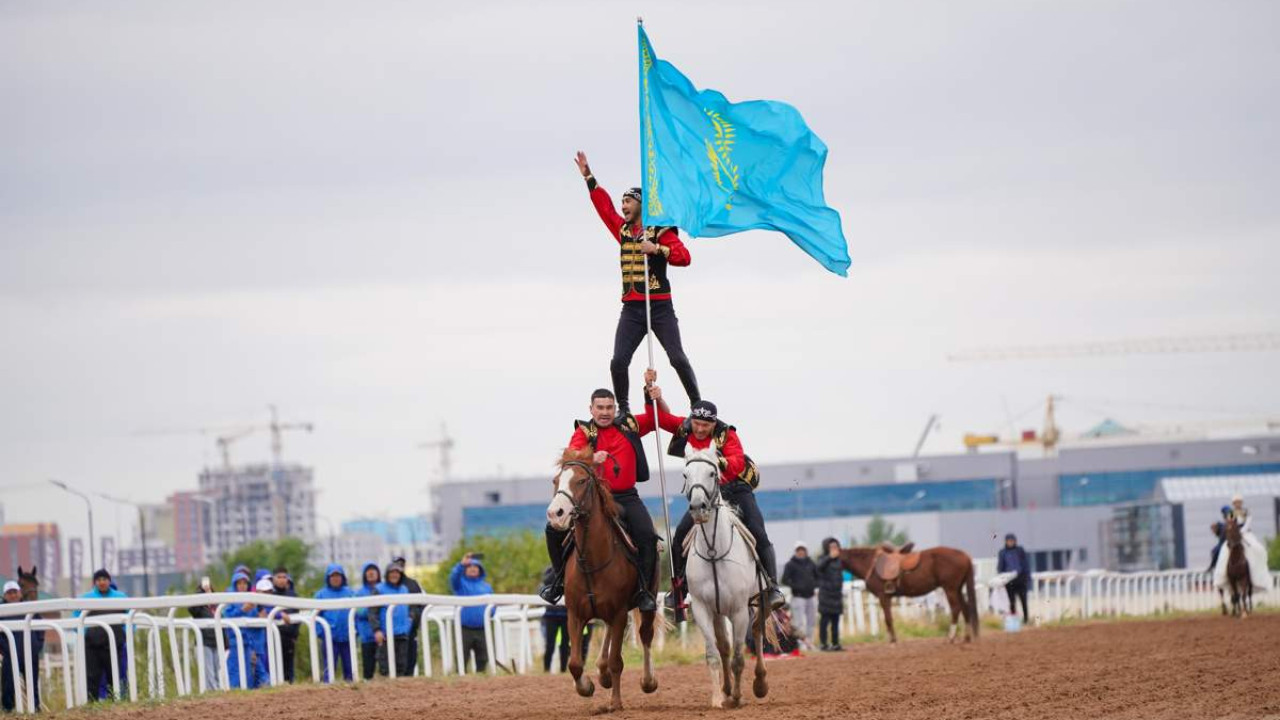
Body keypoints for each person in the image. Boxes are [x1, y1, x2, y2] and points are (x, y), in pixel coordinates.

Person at [646, 377, 786, 612]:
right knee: (679, 535)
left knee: (757, 530)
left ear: (713, 424)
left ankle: (772, 587)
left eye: (705, 425)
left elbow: (738, 462)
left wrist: (716, 460)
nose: (700, 429)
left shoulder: (727, 434)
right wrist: (655, 396)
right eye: (697, 423)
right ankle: (680, 589)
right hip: (703, 493)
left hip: (734, 489)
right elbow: (659, 419)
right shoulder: (686, 427)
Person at [575, 151, 699, 414]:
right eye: (623, 202)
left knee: (677, 357)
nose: (623, 206)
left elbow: (684, 257)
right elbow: (605, 209)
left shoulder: (660, 230)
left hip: (660, 307)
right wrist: (589, 178)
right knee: (618, 361)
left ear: (641, 204)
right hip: (632, 309)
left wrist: (656, 249)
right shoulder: (622, 230)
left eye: (628, 201)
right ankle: (625, 410)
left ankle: (696, 403)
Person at [540, 383, 665, 612]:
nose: (605, 412)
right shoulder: (584, 432)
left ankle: (645, 592)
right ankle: (558, 582)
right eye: (600, 407)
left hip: (627, 496)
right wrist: (591, 458)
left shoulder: (629, 425)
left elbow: (658, 417)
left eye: (609, 407)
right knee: (552, 530)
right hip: (594, 498)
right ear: (591, 409)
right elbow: (573, 455)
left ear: (615, 408)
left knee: (648, 536)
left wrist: (653, 396)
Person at [73, 569, 128, 701]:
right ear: (95, 582)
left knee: (115, 676)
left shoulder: (121, 597)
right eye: (99, 580)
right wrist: (88, 634)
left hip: (115, 645)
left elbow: (131, 618)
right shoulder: (85, 599)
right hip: (93, 646)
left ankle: (116, 704)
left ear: (109, 581)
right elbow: (75, 619)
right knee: (92, 677)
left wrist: (124, 633)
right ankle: (91, 706)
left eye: (104, 579)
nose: (102, 582)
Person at [537, 566, 592, 673]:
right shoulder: (550, 570)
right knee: (550, 645)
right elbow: (546, 581)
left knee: (565, 645)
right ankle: (546, 670)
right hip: (550, 615)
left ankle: (563, 670)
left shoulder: (573, 568)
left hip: (565, 615)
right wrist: (559, 569)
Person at [1214, 494, 1273, 592]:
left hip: (1246, 533)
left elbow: (1248, 522)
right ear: (1233, 503)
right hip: (1235, 535)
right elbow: (1230, 523)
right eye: (1236, 502)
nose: (1237, 504)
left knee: (1258, 548)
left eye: (1239, 502)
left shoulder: (1246, 511)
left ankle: (1258, 574)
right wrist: (1235, 532)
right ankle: (1221, 576)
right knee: (1224, 550)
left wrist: (1242, 531)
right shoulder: (1231, 513)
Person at [222, 572, 268, 690]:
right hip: (236, 644)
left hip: (252, 645)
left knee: (258, 677)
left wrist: (261, 617)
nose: (242, 586)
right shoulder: (230, 601)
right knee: (237, 677)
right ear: (235, 585)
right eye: (239, 583)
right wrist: (242, 610)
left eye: (244, 583)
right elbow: (227, 618)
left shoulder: (252, 600)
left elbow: (258, 621)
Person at [450, 553, 494, 673]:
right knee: (461, 658)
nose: (473, 568)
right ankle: (460, 682)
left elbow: (493, 604)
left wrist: (491, 614)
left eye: (476, 566)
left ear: (480, 570)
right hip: (464, 628)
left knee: (483, 658)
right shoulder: (460, 584)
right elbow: (453, 577)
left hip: (482, 628)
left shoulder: (487, 586)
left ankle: (481, 681)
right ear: (465, 569)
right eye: (470, 566)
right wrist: (461, 564)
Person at [2, 580, 40, 713]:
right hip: (10, 653)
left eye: (15, 592)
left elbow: (41, 628)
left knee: (32, 683)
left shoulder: (30, 609)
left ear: (20, 593)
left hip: (30, 652)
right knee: (8, 684)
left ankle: (34, 709)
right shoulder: (2, 611)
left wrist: (37, 645)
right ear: (5, 596)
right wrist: (4, 649)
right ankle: (8, 710)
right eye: (9, 593)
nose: (12, 596)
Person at [314, 564, 355, 683]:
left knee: (349, 666)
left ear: (342, 577)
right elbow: (315, 617)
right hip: (329, 638)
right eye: (332, 576)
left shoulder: (350, 593)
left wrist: (355, 631)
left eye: (338, 575)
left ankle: (351, 688)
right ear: (328, 578)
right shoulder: (320, 595)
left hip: (348, 637)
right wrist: (320, 633)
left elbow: (357, 614)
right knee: (329, 667)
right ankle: (328, 688)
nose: (335, 578)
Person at [372, 561, 413, 677]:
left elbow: (411, 608)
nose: (394, 575)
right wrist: (377, 630)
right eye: (392, 572)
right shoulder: (379, 589)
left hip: (402, 633)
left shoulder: (405, 589)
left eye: (397, 573)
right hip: (385, 635)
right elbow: (373, 611)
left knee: (401, 666)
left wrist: (409, 621)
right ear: (387, 574)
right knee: (385, 667)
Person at [186, 576, 223, 692]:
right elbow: (191, 609)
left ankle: (216, 690)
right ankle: (213, 692)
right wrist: (202, 592)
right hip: (204, 641)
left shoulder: (216, 607)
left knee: (217, 669)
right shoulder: (199, 608)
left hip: (216, 641)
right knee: (209, 671)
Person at [782, 541, 819, 648]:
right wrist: (796, 586)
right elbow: (784, 580)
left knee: (811, 622)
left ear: (806, 551)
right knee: (798, 623)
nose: (801, 552)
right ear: (796, 551)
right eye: (799, 550)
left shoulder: (811, 563)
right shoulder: (790, 564)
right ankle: (801, 644)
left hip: (811, 597)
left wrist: (814, 585)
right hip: (798, 597)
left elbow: (818, 577)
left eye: (803, 550)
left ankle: (809, 643)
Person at [391, 556, 424, 676]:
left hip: (411, 629)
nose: (399, 566)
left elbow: (421, 604)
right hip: (394, 631)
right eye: (396, 564)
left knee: (411, 658)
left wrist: (415, 619)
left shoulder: (412, 584)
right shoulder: (386, 586)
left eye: (401, 564)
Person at [269, 567, 300, 683]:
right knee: (276, 667)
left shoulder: (293, 595)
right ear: (273, 579)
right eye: (279, 577)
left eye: (284, 577)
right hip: (274, 637)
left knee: (289, 668)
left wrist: (295, 635)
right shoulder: (269, 595)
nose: (282, 580)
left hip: (289, 638)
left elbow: (298, 617)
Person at [352, 563, 382, 680]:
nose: (370, 573)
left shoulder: (383, 589)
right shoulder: (359, 593)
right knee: (368, 668)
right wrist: (374, 609)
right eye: (368, 571)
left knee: (386, 667)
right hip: (367, 636)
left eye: (373, 570)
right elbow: (360, 612)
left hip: (383, 634)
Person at [815, 538, 844, 652]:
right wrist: (829, 558)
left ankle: (835, 643)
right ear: (826, 548)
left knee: (836, 621)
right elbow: (818, 567)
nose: (834, 549)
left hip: (837, 595)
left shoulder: (839, 561)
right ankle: (823, 643)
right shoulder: (822, 558)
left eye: (836, 547)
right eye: (832, 547)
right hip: (826, 594)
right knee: (824, 621)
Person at [997, 533, 1031, 623]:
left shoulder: (1020, 550)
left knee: (1023, 600)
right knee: (1012, 602)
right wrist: (1001, 578)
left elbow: (1025, 565)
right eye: (1009, 541)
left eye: (1012, 541)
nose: (1010, 542)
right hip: (1009, 581)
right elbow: (1000, 567)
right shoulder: (1002, 552)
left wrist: (1027, 578)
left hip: (1020, 579)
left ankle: (1026, 619)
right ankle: (1014, 620)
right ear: (1006, 542)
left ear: (1015, 541)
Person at [1207, 505, 1231, 574]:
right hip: (1223, 542)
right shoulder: (1224, 524)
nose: (1225, 516)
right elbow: (1221, 525)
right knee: (1214, 551)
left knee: (1217, 550)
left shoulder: (1232, 515)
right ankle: (1214, 566)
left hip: (1230, 540)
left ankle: (1212, 566)